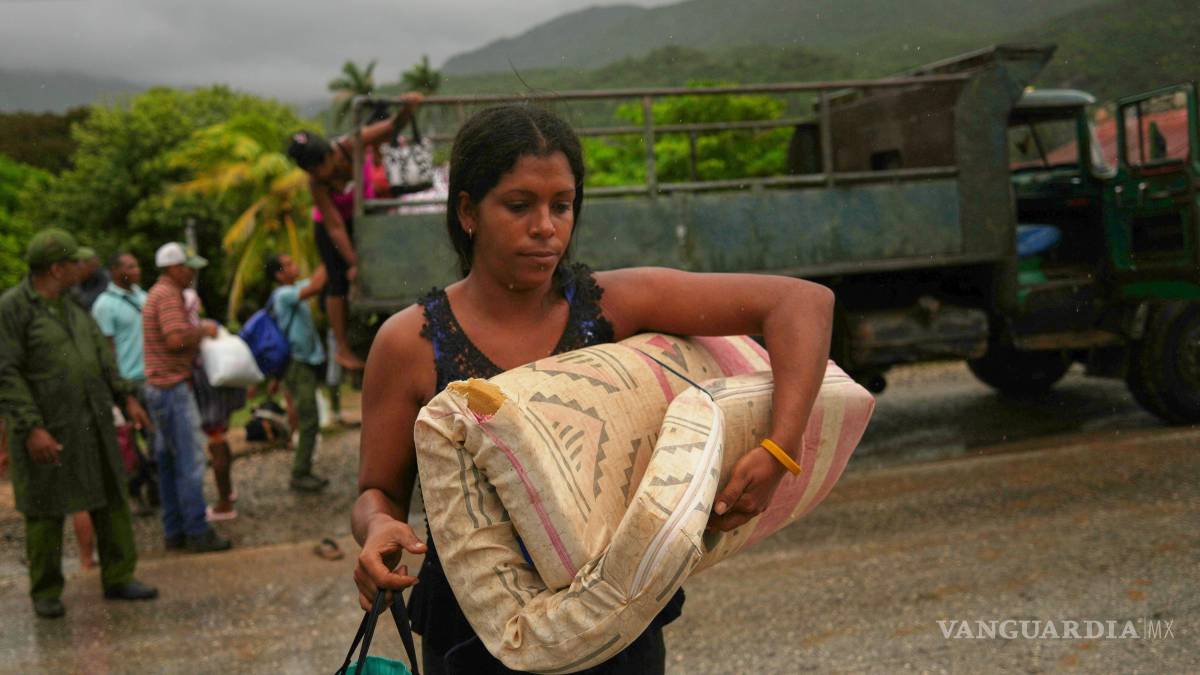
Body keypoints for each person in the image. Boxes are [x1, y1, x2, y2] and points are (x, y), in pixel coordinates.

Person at [350, 105, 835, 673]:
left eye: (562, 205)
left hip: (613, 614)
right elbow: (376, 490)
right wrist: (379, 526)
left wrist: (780, 447)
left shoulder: (614, 306)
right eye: (518, 205)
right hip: (473, 633)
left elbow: (801, 303)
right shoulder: (409, 343)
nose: (545, 227)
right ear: (467, 212)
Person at [0, 229, 159, 619]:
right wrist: (31, 427)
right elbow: (6, 372)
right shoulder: (13, 309)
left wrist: (126, 396)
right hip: (48, 427)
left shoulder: (74, 305)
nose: (83, 267)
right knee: (45, 509)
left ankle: (119, 576)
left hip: (94, 421)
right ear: (57, 268)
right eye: (75, 262)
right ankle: (46, 591)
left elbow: (100, 359)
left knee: (111, 496)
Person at [286, 91, 423, 371]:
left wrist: (409, 107)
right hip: (332, 227)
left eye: (319, 168)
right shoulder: (317, 185)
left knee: (391, 271)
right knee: (337, 281)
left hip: (366, 219)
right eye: (311, 172)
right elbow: (335, 226)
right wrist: (354, 263)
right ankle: (343, 348)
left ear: (328, 156)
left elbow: (392, 126)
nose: (319, 175)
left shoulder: (351, 144)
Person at [141, 242, 231, 553]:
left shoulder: (158, 292)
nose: (192, 272)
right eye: (188, 266)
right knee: (189, 463)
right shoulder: (167, 295)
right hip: (172, 389)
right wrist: (203, 330)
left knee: (168, 462)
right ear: (173, 268)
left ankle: (174, 530)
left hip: (158, 388)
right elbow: (176, 339)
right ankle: (196, 530)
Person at [91, 251, 159, 514]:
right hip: (127, 384)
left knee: (155, 441)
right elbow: (107, 351)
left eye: (138, 264)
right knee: (128, 444)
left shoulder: (143, 297)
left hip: (151, 378)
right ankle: (134, 493)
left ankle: (155, 488)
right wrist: (118, 389)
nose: (138, 270)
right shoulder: (105, 306)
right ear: (116, 271)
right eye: (131, 266)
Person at [265, 253, 330, 492]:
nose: (295, 266)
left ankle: (303, 470)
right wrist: (330, 254)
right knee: (309, 417)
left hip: (303, 362)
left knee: (308, 416)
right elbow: (315, 286)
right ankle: (300, 472)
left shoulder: (293, 288)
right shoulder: (282, 295)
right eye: (289, 264)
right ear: (279, 274)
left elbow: (314, 281)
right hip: (297, 363)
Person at [182, 287, 245, 520]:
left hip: (207, 394)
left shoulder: (193, 331)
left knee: (216, 444)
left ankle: (224, 504)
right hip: (218, 393)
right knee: (221, 441)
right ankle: (227, 493)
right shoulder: (206, 326)